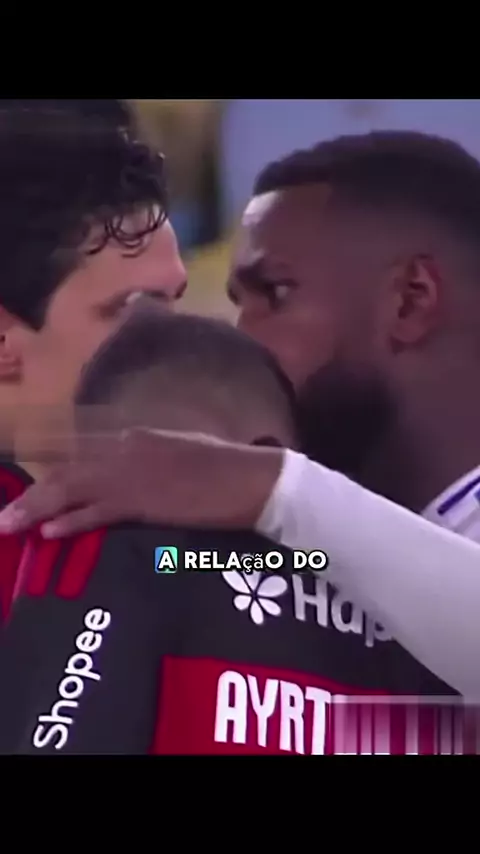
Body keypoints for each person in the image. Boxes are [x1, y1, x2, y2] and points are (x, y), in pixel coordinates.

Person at [4, 131, 480, 701]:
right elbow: (181, 565)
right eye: (238, 304)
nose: (238, 339)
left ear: (411, 299)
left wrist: (277, 487)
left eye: (275, 294)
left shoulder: (303, 515)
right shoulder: (312, 547)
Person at [0, 307, 459, 756]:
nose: (137, 496)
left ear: (264, 459)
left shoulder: (123, 556)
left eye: (170, 468)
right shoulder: (401, 605)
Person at [0, 99, 185, 623]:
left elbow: (305, 565)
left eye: (175, 305)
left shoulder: (183, 536)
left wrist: (287, 505)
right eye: (135, 311)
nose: (185, 344)